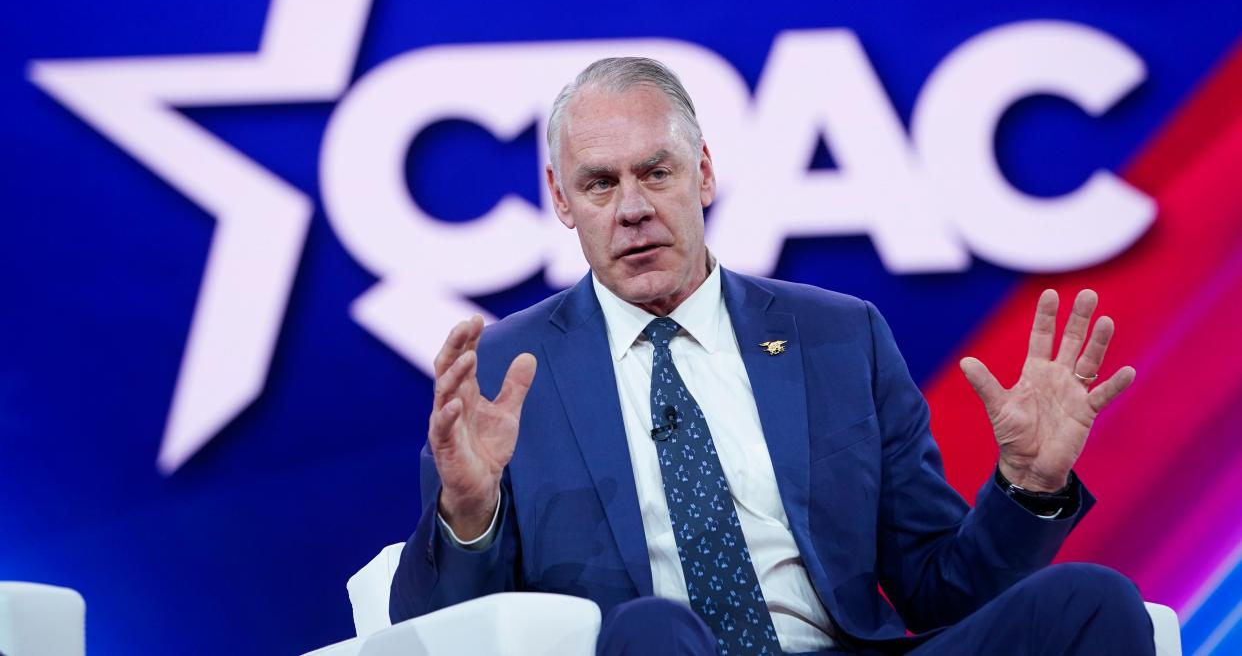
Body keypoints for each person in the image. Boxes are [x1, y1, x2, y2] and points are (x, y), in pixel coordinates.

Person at [389, 57, 1154, 655]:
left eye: (656, 172)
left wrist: (1027, 487)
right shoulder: (504, 375)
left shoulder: (838, 336)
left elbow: (940, 593)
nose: (631, 208)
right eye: (599, 184)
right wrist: (468, 512)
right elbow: (434, 638)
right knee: (649, 631)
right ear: (561, 199)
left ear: (705, 174)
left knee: (1094, 601)